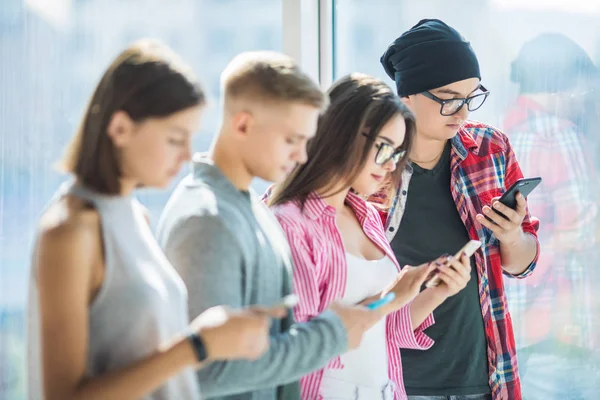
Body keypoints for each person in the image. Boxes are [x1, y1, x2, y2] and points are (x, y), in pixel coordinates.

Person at [26, 40, 283, 400]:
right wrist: (197, 345)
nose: (187, 154)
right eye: (175, 138)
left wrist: (218, 337)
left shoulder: (137, 217)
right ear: (120, 128)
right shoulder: (69, 232)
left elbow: (144, 362)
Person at [156, 51, 381, 400]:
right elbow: (210, 371)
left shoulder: (252, 210)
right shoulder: (207, 221)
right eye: (292, 140)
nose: (302, 156)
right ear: (242, 124)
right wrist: (331, 335)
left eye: (307, 141)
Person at [266, 73, 473, 400]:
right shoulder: (292, 224)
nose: (390, 166)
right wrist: (388, 299)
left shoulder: (366, 217)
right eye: (384, 148)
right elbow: (296, 349)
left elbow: (382, 330)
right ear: (344, 134)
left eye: (396, 153)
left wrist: (434, 293)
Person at [376, 19, 541, 400]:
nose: (462, 112)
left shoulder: (490, 149)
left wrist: (512, 235)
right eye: (449, 98)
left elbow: (522, 264)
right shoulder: (369, 165)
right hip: (395, 380)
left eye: (471, 97)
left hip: (483, 377)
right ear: (407, 95)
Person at [503, 33, 600, 400]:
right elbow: (586, 230)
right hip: (562, 332)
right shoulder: (560, 135)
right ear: (563, 85)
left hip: (514, 328)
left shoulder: (498, 133)